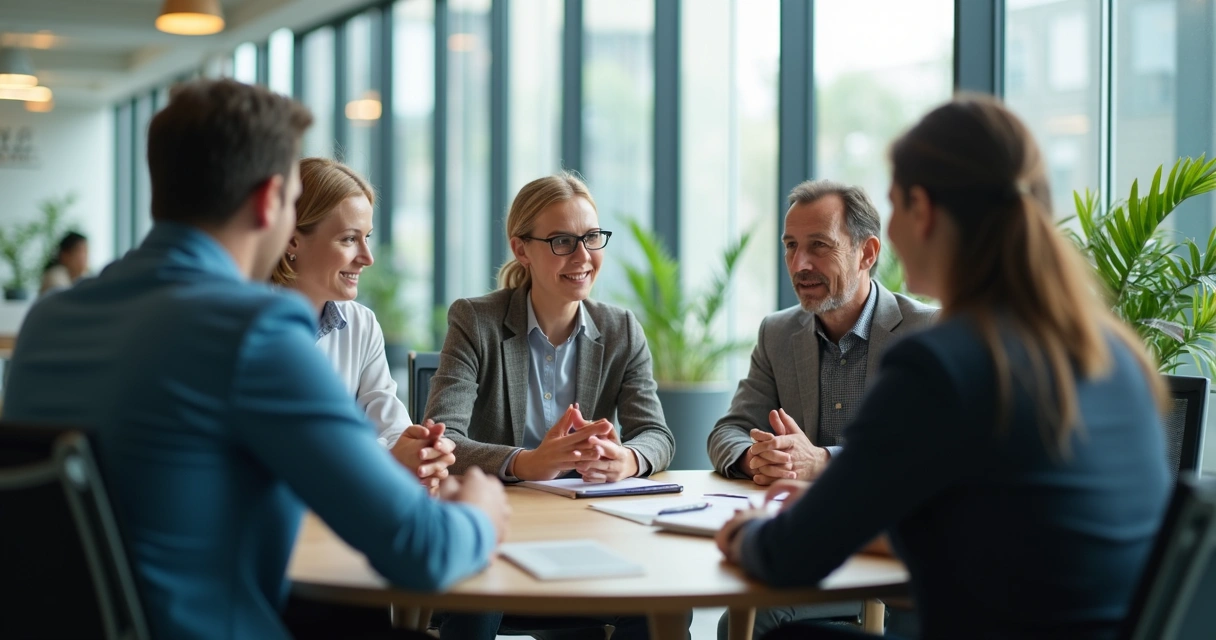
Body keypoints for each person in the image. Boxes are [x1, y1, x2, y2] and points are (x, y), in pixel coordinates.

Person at [2, 78, 509, 640]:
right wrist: (481, 510)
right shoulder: (251, 331)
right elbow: (423, 550)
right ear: (271, 203)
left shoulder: (49, 322)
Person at [715, 95, 1170, 640]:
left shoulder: (943, 362)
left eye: (896, 204)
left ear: (922, 210)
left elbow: (792, 557)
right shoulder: (1113, 353)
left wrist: (745, 533)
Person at [425, 173, 678, 640]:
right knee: (477, 602)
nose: (583, 257)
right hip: (498, 528)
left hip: (589, 530)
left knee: (658, 604)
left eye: (591, 238)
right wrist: (527, 462)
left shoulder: (621, 329)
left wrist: (628, 459)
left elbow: (657, 435)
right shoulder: (475, 321)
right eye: (562, 241)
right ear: (522, 249)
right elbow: (443, 440)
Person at [706, 180, 935, 637]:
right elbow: (728, 430)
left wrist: (821, 461)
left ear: (867, 253)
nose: (799, 264)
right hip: (810, 543)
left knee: (753, 620)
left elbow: (922, 455)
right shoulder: (777, 332)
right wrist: (760, 456)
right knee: (739, 618)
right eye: (791, 246)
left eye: (819, 247)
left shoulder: (926, 333)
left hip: (890, 560)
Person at [270, 157, 454, 492]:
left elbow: (389, 425)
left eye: (367, 236)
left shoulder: (361, 324)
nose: (367, 257)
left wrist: (420, 451)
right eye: (348, 239)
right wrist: (387, 459)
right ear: (293, 241)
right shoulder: (247, 326)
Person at [39, 231, 88, 295]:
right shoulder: (55, 276)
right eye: (80, 252)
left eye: (86, 252)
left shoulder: (80, 276)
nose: (85, 257)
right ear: (65, 255)